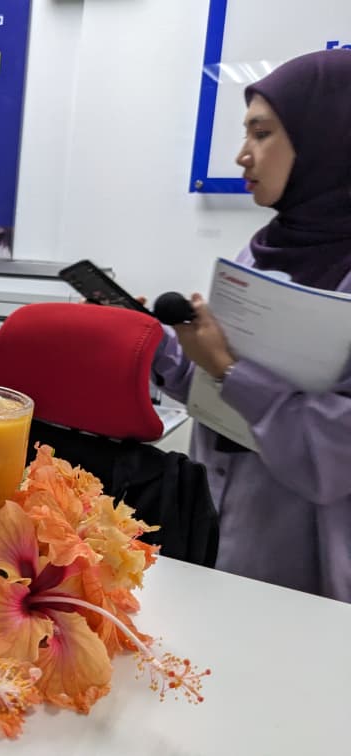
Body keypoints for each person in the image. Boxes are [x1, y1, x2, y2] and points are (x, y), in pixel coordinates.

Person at [151, 49, 351, 602]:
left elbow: (335, 452)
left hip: (315, 577)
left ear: (328, 138)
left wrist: (229, 370)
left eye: (261, 134)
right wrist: (165, 348)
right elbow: (219, 392)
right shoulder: (260, 254)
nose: (242, 155)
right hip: (228, 536)